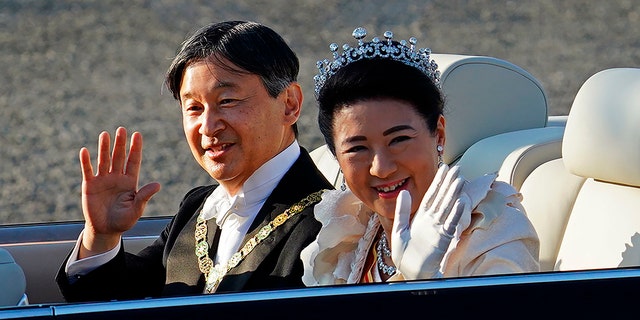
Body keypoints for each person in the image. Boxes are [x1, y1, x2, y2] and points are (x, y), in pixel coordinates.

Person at [56, 20, 333, 302]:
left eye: (227, 101)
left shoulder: (331, 222)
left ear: (289, 104)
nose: (208, 127)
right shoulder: (197, 207)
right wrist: (101, 236)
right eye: (194, 108)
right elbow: (122, 298)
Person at [300, 27, 539, 285]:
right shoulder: (346, 233)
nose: (381, 168)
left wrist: (426, 284)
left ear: (438, 135)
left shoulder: (493, 229)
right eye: (358, 148)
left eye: (399, 140)